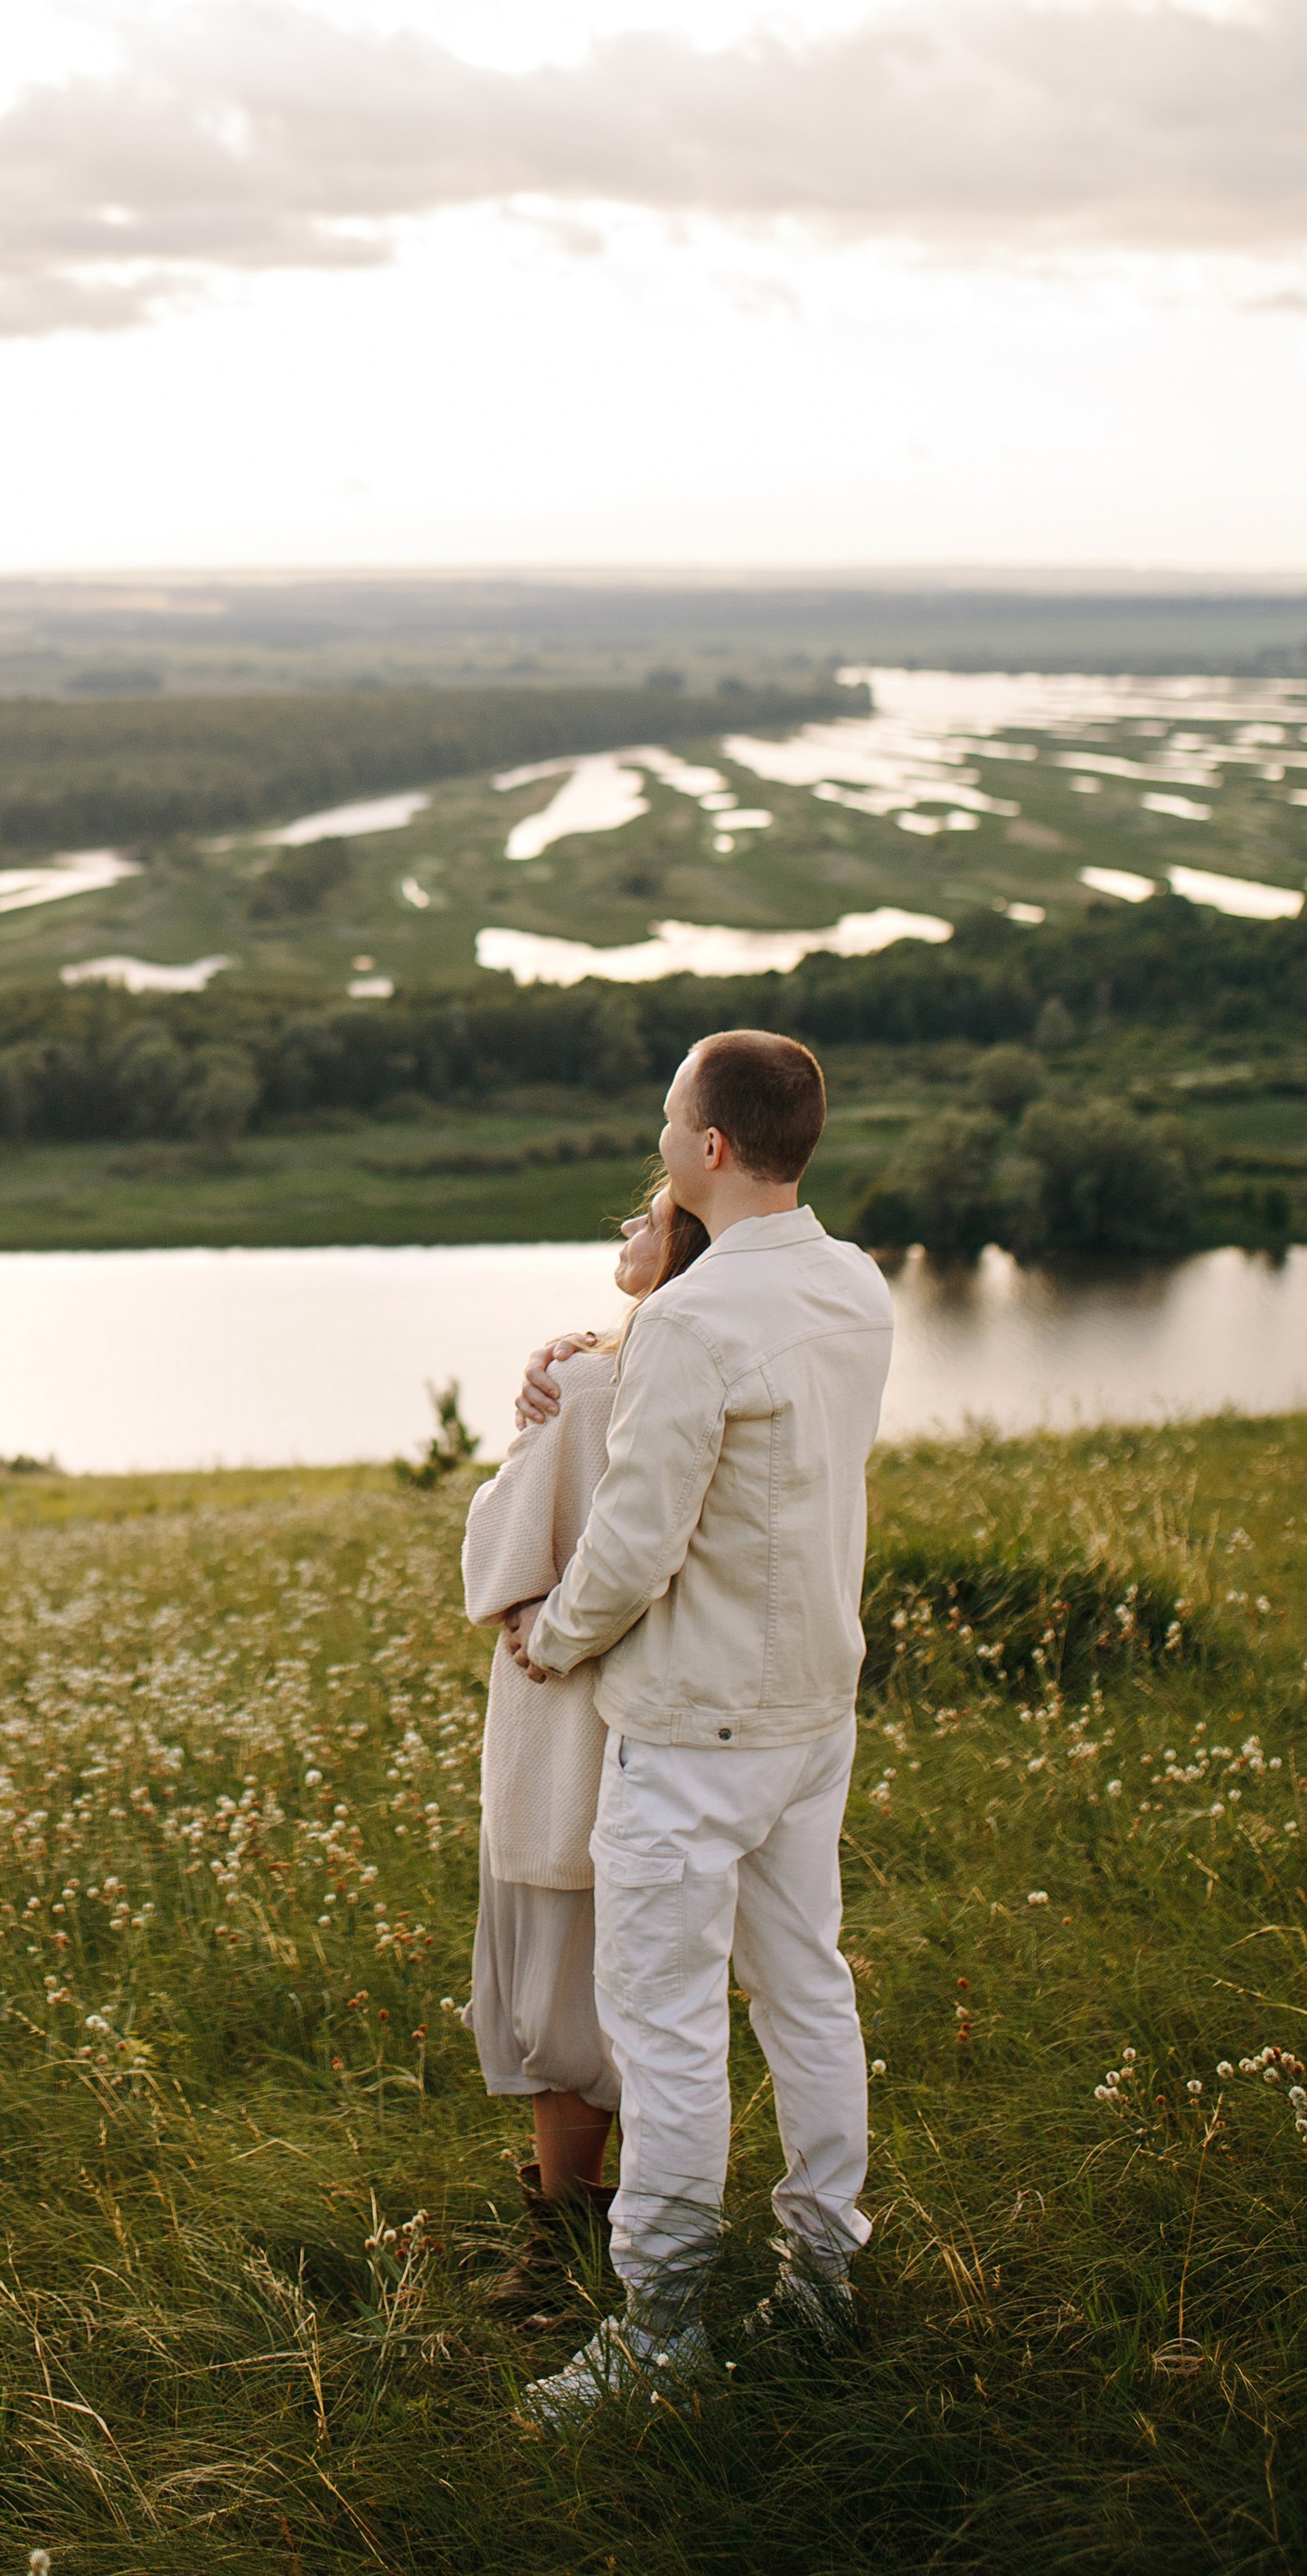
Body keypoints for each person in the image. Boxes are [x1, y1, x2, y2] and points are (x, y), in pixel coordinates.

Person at [508, 1027, 894, 2424]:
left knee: (665, 2028)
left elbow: (634, 1544)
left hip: (692, 1729)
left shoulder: (692, 1319)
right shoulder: (857, 1288)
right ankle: (819, 2280)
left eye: (672, 1118)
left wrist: (553, 1638)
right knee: (808, 1991)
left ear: (711, 1147)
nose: (663, 1136)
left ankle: (662, 2332)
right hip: (813, 1708)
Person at [459, 1180, 710, 2305]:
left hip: (559, 1695)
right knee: (645, 1991)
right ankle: (634, 2231)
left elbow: (499, 1554)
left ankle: (561, 2251)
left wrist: (545, 1400)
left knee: (562, 1996)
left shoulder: (591, 1379)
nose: (625, 1228)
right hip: (668, 1707)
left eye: (647, 1217)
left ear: (680, 1251)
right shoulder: (688, 1366)